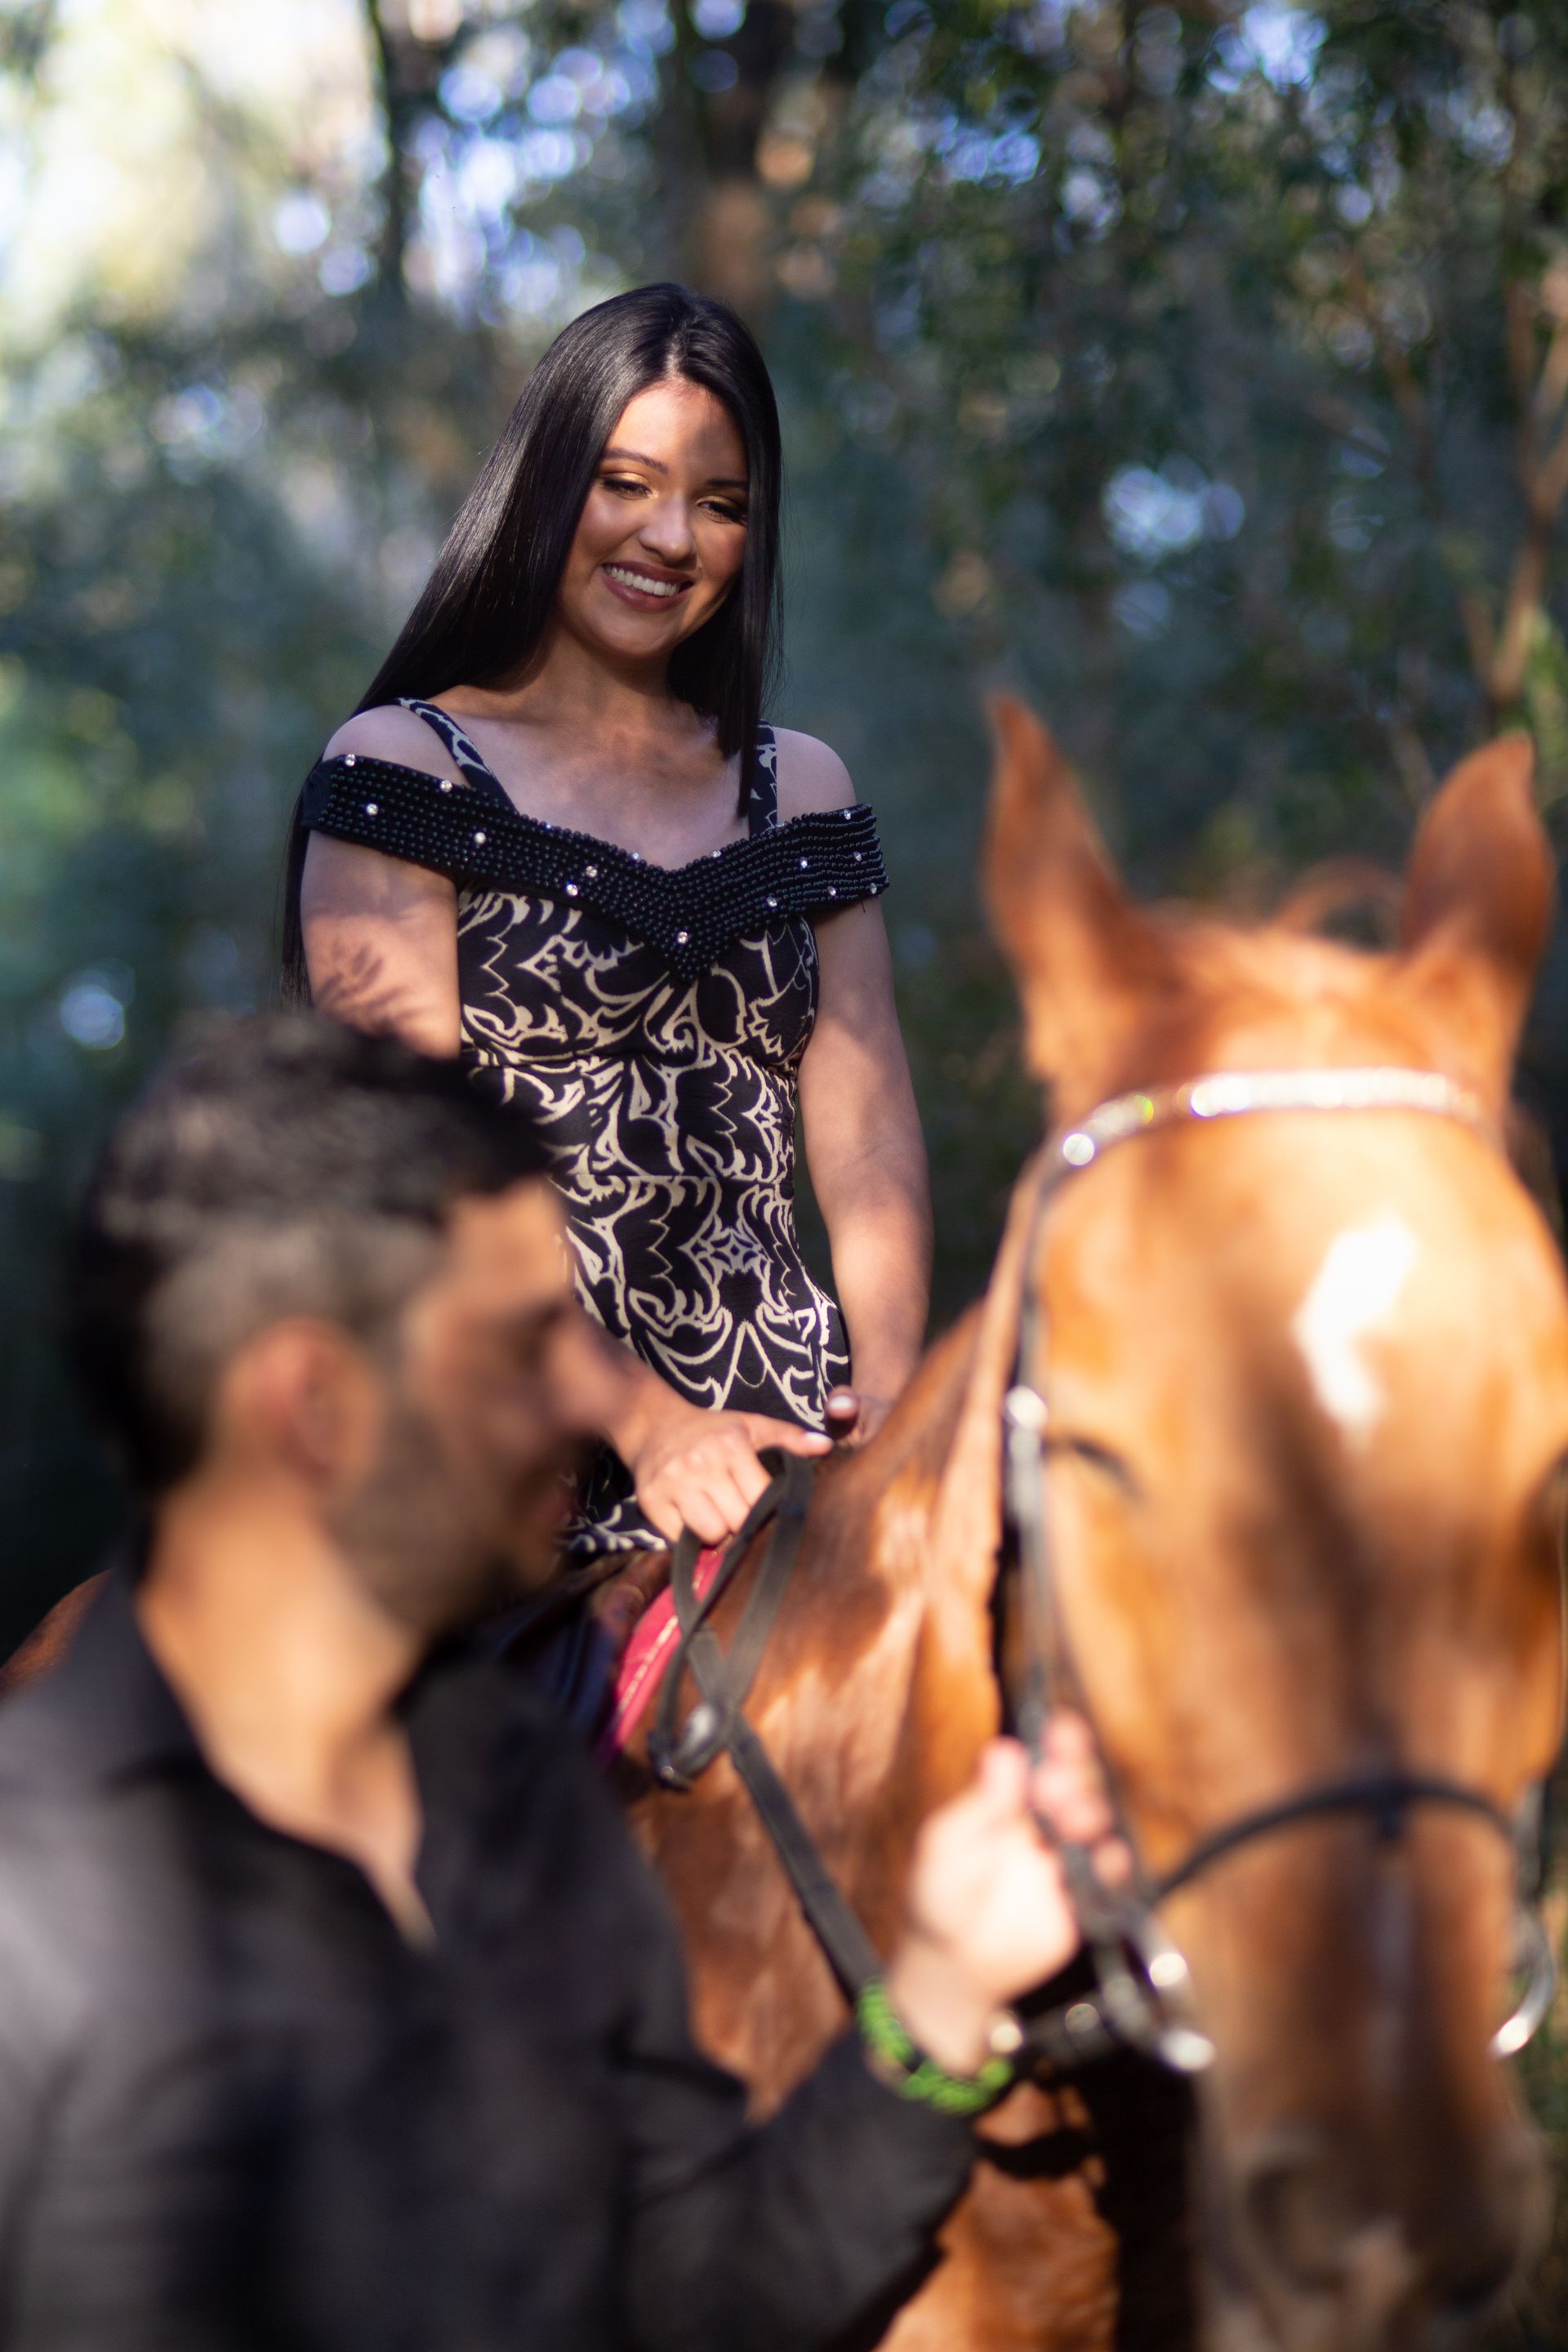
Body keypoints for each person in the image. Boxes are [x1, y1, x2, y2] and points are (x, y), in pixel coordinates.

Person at [0, 1015, 1118, 2351]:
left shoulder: (525, 1795)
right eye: (528, 1339)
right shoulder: (32, 1898)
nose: (595, 1391)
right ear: (314, 1403)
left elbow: (707, 2296)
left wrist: (937, 1991)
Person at [283, 281, 931, 1566]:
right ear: (545, 483)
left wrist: (901, 1396)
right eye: (626, 482)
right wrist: (646, 1422)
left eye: (724, 503)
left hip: (780, 1442)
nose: (672, 536)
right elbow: (417, 1180)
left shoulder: (804, 787)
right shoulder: (406, 770)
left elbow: (865, 1135)